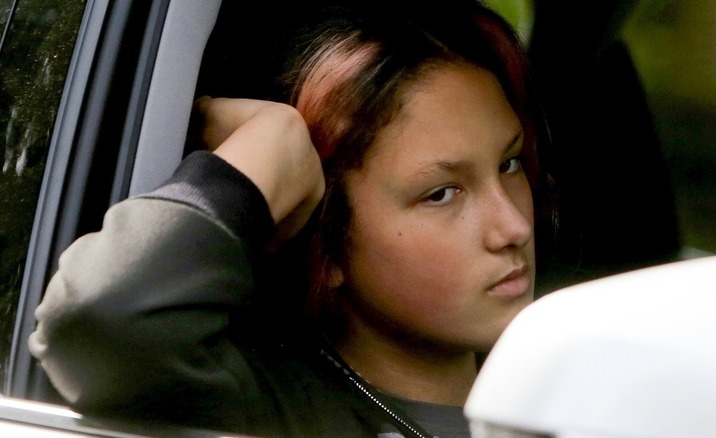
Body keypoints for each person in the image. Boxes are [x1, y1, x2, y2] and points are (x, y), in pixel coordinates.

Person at [28, 1, 551, 437]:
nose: (513, 227)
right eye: (441, 194)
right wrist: (258, 155)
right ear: (328, 237)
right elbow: (101, 317)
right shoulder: (262, 414)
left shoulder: (580, 381)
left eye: (508, 164)